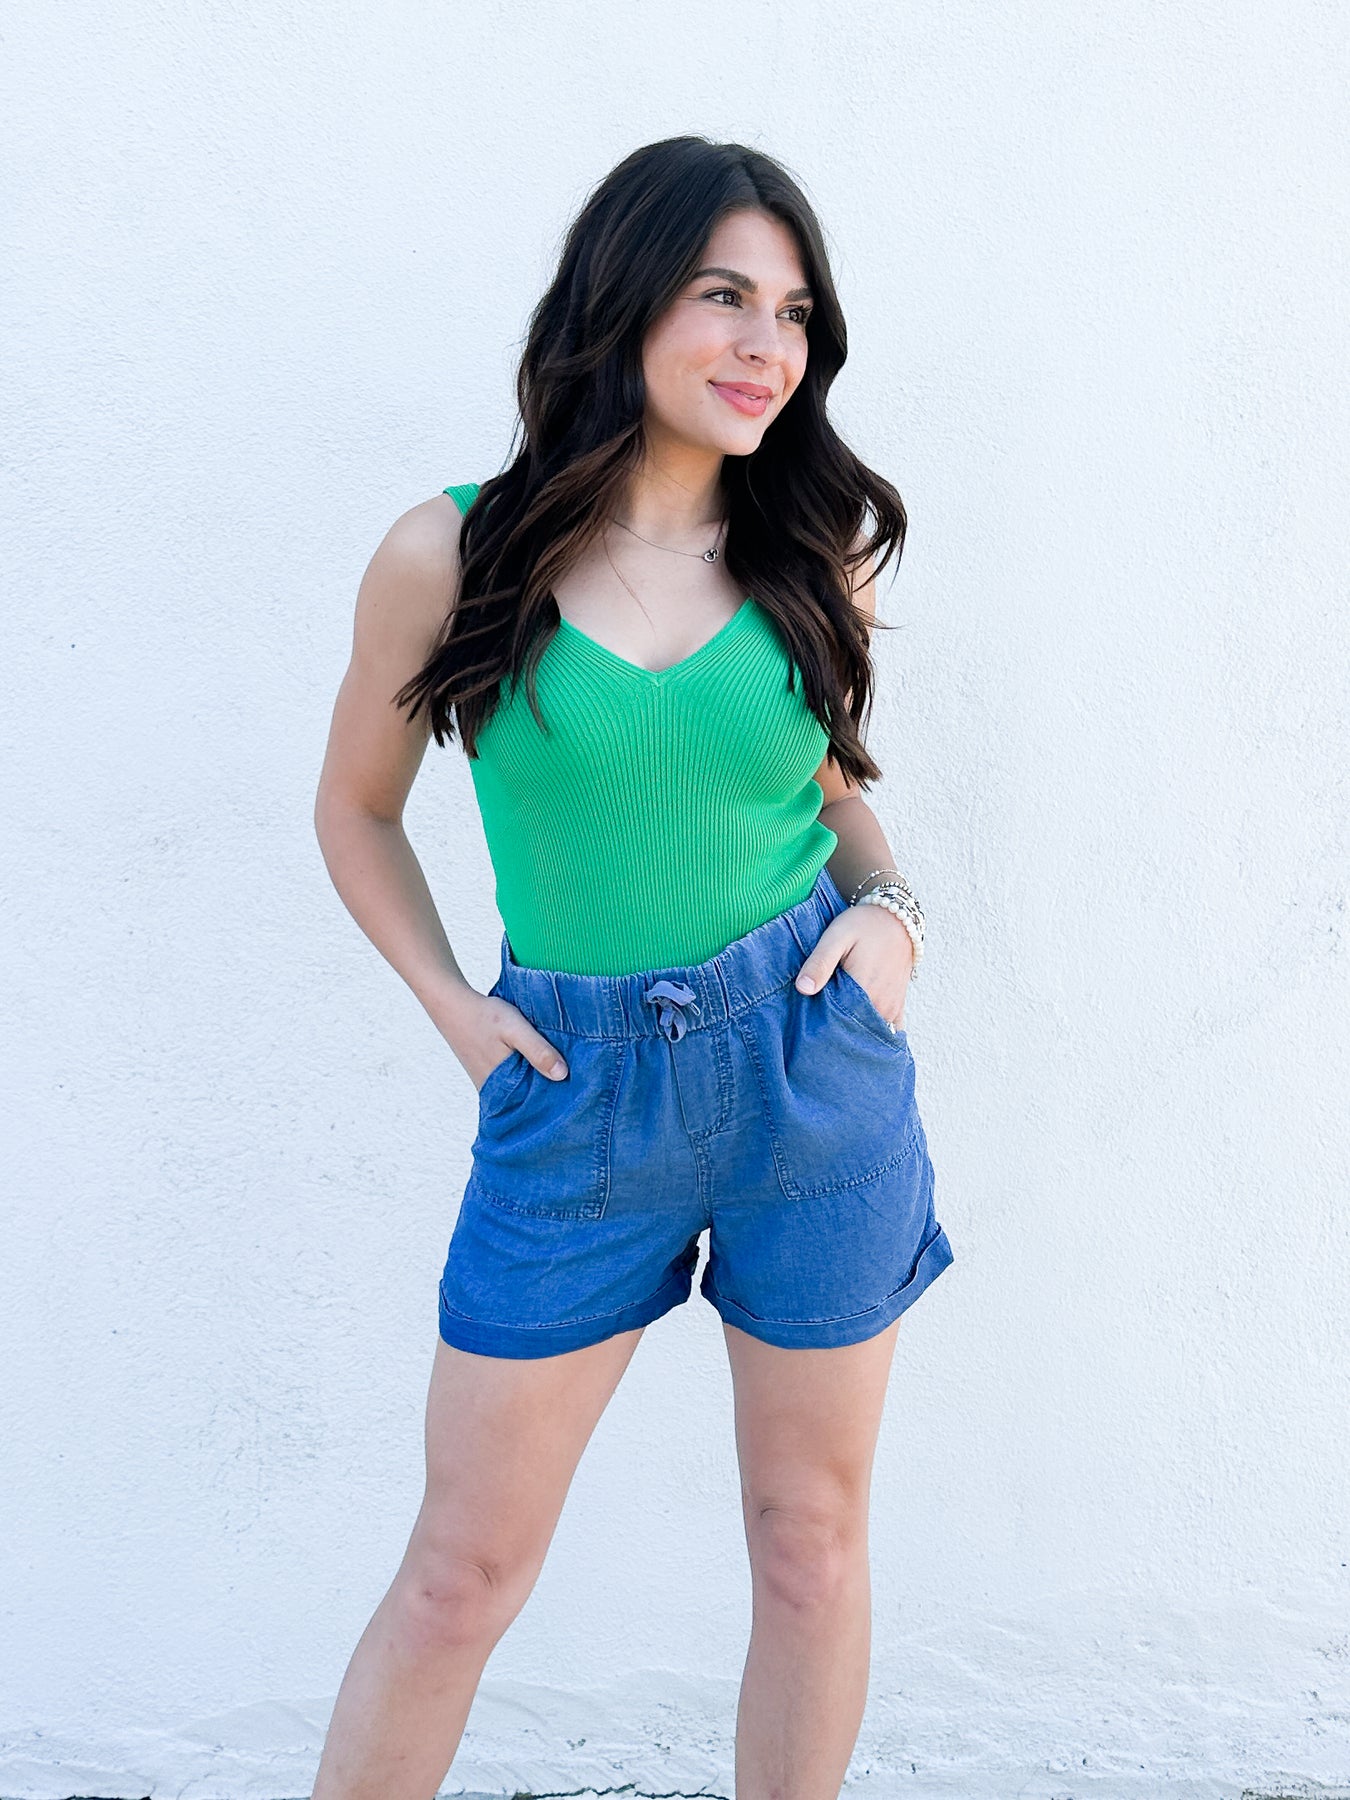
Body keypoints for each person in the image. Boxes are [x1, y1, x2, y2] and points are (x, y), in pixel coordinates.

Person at [310, 134, 953, 1800]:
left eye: (792, 314)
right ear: (623, 301)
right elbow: (355, 812)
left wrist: (891, 919)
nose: (764, 346)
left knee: (808, 1543)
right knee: (459, 1575)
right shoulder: (449, 554)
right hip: (571, 1093)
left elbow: (830, 794)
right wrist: (459, 1013)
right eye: (723, 296)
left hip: (811, 1069)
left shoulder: (812, 550)